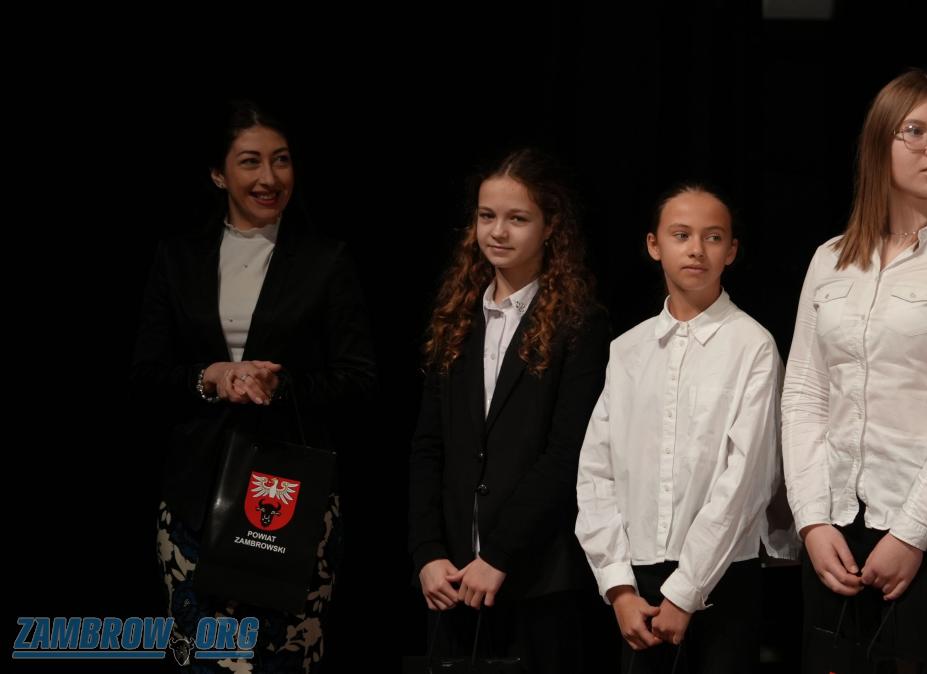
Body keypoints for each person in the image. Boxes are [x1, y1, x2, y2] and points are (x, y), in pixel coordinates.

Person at [781, 69, 927, 673]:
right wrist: (810, 520)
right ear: (878, 143)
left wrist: (911, 533)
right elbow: (804, 393)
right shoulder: (829, 259)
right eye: (915, 131)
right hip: (836, 533)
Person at [132, 99, 376, 671]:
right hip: (195, 495)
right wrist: (210, 377)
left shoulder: (326, 260)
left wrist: (280, 384)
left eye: (281, 160)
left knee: (283, 658)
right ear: (219, 174)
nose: (269, 177)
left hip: (289, 495)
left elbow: (359, 380)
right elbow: (145, 377)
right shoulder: (178, 258)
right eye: (250, 162)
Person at [409, 148, 610, 673]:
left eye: (517, 218)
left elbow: (567, 453)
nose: (498, 232)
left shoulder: (578, 324)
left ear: (550, 227)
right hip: (453, 578)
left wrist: (499, 554)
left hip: (536, 577)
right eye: (487, 216)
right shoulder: (456, 314)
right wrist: (428, 552)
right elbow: (429, 445)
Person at [575, 184, 782, 673]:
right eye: (681, 235)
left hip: (723, 577)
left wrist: (686, 591)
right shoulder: (628, 349)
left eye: (713, 237)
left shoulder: (751, 345)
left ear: (731, 251)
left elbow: (747, 479)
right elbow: (597, 471)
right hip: (637, 580)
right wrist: (618, 585)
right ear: (654, 245)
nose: (696, 249)